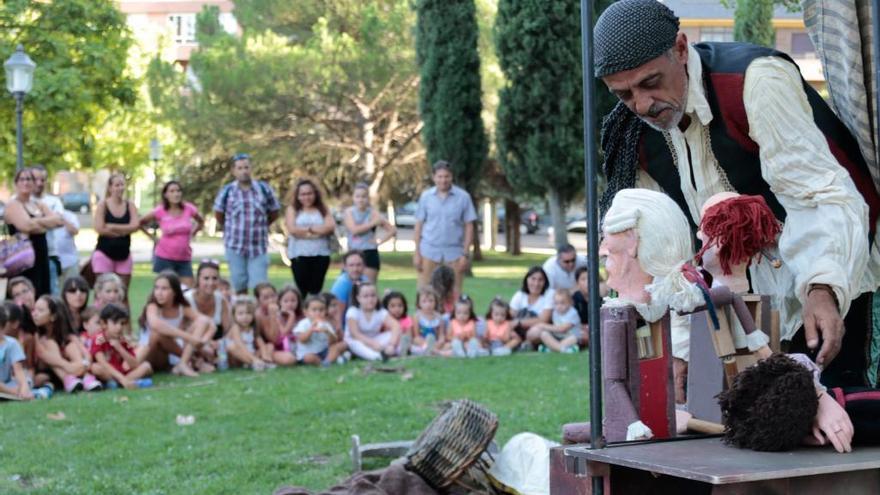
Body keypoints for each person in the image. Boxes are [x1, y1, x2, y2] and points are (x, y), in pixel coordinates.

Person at [595, 0, 880, 387]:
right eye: (623, 95)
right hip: (740, 304)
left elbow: (819, 195)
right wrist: (679, 349)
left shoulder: (754, 81)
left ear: (680, 48)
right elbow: (667, 254)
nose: (642, 105)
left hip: (837, 273)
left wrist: (823, 286)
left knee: (845, 414)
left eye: (650, 82)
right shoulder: (632, 135)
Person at [213, 153, 281, 294]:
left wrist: (262, 225)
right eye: (240, 168)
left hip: (258, 247)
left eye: (246, 167)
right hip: (235, 246)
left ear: (251, 169)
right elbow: (219, 213)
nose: (244, 171)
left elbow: (274, 211)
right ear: (234, 171)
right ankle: (241, 313)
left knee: (260, 286)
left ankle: (259, 314)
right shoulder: (228, 191)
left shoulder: (263, 189)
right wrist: (229, 228)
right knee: (239, 284)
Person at [413, 160, 478, 297]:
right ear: (434, 177)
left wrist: (465, 255)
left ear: (452, 176)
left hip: (454, 252)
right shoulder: (426, 197)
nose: (443, 180)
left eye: (446, 176)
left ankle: (454, 318)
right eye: (440, 176)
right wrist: (417, 253)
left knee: (454, 294)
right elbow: (418, 225)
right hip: (428, 250)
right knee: (425, 293)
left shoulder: (463, 197)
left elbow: (469, 226)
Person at [137, 271, 214, 377]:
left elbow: (208, 323)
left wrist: (202, 343)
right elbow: (156, 325)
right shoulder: (152, 306)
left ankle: (184, 363)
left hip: (168, 355)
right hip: (148, 354)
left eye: (164, 289)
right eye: (157, 288)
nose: (159, 292)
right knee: (157, 334)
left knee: (202, 321)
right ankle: (192, 361)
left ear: (174, 291)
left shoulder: (181, 307)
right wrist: (190, 338)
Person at [4, 168, 63, 297]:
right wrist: (46, 223)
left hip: (41, 257)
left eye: (29, 179)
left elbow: (59, 221)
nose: (26, 182)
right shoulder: (13, 204)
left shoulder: (38, 204)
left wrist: (35, 223)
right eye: (22, 179)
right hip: (22, 259)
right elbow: (26, 225)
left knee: (42, 295)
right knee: (24, 296)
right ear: (16, 183)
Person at [140, 180, 205, 287]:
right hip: (164, 258)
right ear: (166, 194)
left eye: (178, 191)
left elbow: (201, 221)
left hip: (184, 258)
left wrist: (193, 233)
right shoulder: (160, 211)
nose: (176, 194)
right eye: (172, 191)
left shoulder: (188, 208)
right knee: (166, 292)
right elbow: (140, 223)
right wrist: (152, 237)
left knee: (188, 292)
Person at [32, 295, 102, 393]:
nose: (35, 314)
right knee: (49, 343)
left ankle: (86, 378)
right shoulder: (37, 335)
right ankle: (67, 379)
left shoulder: (68, 336)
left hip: (74, 370)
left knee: (71, 346)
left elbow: (86, 354)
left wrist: (84, 364)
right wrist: (68, 366)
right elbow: (42, 354)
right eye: (34, 310)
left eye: (40, 310)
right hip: (50, 371)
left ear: (53, 316)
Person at [285, 178, 336, 296]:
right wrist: (315, 229)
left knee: (316, 289)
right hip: (299, 254)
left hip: (321, 254)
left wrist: (307, 230)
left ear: (315, 194)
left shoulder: (323, 209)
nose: (306, 197)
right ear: (297, 196)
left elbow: (330, 226)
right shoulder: (293, 210)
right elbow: (292, 229)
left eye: (309, 193)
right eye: (303, 194)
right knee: (301, 290)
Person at [93, 173, 140, 292]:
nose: (120, 188)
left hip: (124, 254)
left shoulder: (130, 205)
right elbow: (100, 228)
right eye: (117, 185)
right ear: (110, 188)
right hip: (104, 254)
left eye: (122, 185)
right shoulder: (103, 205)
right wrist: (125, 230)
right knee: (103, 293)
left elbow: (135, 225)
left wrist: (112, 226)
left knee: (122, 293)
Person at [31, 165, 73, 296]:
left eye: (42, 180)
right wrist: (48, 221)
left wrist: (36, 219)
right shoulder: (21, 200)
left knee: (51, 297)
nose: (39, 183)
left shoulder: (53, 201)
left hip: (50, 255)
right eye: (35, 179)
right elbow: (24, 226)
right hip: (26, 257)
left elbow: (59, 222)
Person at [89, 304, 152, 390]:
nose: (119, 327)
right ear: (104, 324)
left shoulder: (122, 340)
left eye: (122, 323)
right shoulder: (98, 339)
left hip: (122, 373)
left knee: (146, 366)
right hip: (108, 373)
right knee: (95, 368)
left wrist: (120, 348)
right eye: (115, 323)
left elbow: (134, 365)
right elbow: (103, 363)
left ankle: (117, 384)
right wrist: (122, 379)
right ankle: (124, 382)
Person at [344, 183, 397, 282]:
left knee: (368, 286)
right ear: (353, 197)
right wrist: (372, 223)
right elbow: (354, 230)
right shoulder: (349, 212)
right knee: (350, 287)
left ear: (368, 198)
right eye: (357, 196)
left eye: (364, 196)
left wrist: (379, 242)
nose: (360, 199)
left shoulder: (373, 213)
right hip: (353, 252)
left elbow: (392, 230)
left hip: (369, 252)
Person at [344, 282, 401, 361]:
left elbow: (395, 325)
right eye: (366, 296)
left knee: (393, 334)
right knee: (355, 344)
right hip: (357, 341)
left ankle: (391, 350)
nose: (370, 299)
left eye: (373, 295)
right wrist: (372, 344)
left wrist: (391, 344)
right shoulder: (353, 311)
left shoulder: (380, 312)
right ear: (358, 298)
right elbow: (355, 334)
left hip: (374, 339)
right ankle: (378, 356)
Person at [184, 260, 231, 343]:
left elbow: (228, 330)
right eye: (206, 278)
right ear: (198, 279)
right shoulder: (186, 299)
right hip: (191, 343)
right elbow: (183, 330)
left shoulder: (221, 300)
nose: (211, 283)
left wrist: (220, 344)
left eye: (215, 278)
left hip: (217, 346)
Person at [509, 266, 553, 347]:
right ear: (527, 279)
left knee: (538, 331)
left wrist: (519, 322)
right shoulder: (520, 295)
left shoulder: (549, 294)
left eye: (540, 280)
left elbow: (544, 320)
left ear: (545, 282)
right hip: (520, 331)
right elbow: (510, 316)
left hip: (539, 329)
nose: (536, 284)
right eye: (533, 279)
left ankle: (524, 343)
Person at [294, 296, 342, 366]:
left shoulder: (326, 324)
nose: (318, 313)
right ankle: (322, 363)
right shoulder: (303, 323)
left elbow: (334, 341)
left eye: (321, 310)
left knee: (338, 346)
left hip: (323, 351)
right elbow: (302, 340)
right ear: (306, 312)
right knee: (309, 358)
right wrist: (311, 330)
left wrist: (328, 332)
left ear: (325, 311)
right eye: (314, 310)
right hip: (308, 353)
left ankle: (327, 361)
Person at [225, 296, 269, 371]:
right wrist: (253, 359)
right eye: (240, 314)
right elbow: (239, 345)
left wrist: (265, 356)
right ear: (234, 316)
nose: (245, 317)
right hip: (236, 357)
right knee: (231, 347)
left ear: (253, 315)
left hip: (250, 354)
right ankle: (254, 363)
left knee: (269, 346)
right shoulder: (235, 328)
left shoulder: (252, 328)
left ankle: (263, 362)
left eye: (248, 313)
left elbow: (260, 343)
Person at [0, 305, 35, 400]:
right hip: (7, 389)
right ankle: (13, 393)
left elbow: (18, 370)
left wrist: (24, 387)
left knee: (27, 380)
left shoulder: (11, 343)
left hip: (6, 383)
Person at [533, 289, 581, 354]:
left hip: (569, 336)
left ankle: (553, 348)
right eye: (556, 303)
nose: (559, 306)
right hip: (558, 337)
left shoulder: (573, 313)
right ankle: (563, 349)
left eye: (562, 303)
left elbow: (563, 329)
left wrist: (543, 326)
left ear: (570, 303)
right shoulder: (555, 313)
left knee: (574, 338)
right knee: (543, 334)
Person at [330, 251, 370, 315]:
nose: (355, 269)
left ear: (364, 266)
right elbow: (337, 315)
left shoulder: (364, 279)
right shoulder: (342, 284)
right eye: (351, 265)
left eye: (358, 265)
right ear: (345, 267)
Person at [412, 286, 446, 356]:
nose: (428, 304)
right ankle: (428, 349)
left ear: (435, 302)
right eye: (424, 301)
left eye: (431, 301)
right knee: (415, 340)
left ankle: (432, 349)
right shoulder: (417, 316)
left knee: (447, 345)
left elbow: (441, 335)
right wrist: (424, 343)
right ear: (419, 303)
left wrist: (439, 342)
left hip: (435, 342)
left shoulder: (439, 317)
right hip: (422, 342)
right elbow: (416, 336)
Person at [383, 291, 412, 356]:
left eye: (400, 305)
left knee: (414, 348)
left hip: (401, 343)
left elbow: (408, 335)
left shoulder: (406, 319)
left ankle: (404, 350)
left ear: (405, 306)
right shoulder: (385, 319)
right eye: (392, 306)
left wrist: (408, 344)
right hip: (388, 343)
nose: (397, 309)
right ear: (386, 307)